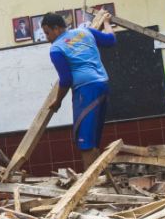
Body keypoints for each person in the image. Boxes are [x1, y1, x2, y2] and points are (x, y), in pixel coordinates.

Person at [43, 11, 116, 170]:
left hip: (86, 90)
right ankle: (98, 177)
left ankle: (90, 184)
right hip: (102, 85)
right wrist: (107, 23)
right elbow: (110, 40)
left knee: (84, 139)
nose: (47, 38)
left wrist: (58, 102)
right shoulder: (85, 31)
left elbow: (66, 80)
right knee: (93, 137)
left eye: (47, 33)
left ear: (56, 29)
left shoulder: (56, 49)